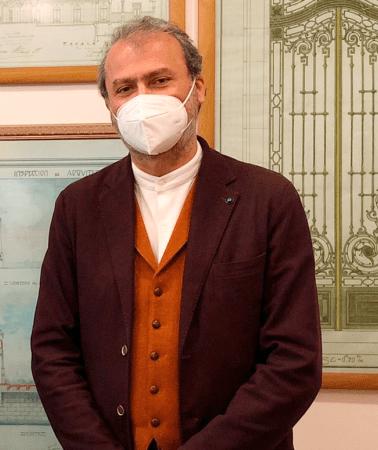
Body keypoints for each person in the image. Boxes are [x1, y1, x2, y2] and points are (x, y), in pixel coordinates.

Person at [31, 17, 322, 450]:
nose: (142, 100)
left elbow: (294, 363)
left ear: (197, 88)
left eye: (159, 80)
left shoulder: (268, 200)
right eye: (125, 88)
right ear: (110, 106)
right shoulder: (77, 207)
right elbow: (53, 352)